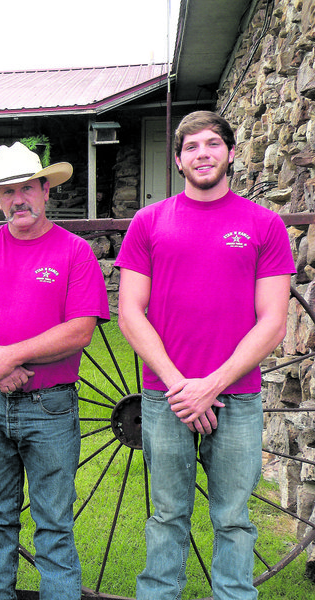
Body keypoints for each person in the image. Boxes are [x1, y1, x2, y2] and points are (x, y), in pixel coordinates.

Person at [116, 110, 295, 600]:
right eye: (191, 147)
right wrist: (181, 386)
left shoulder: (264, 224)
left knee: (234, 518)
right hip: (165, 398)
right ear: (177, 160)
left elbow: (273, 321)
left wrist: (210, 385)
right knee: (167, 514)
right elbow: (130, 312)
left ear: (230, 153)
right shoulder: (149, 221)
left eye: (212, 144)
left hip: (235, 398)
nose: (203, 154)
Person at [0, 141, 110, 600]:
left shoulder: (74, 252)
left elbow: (80, 331)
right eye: (8, 191)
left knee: (54, 523)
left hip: (50, 405)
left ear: (45, 191)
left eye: (27, 188)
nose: (19, 199)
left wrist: (9, 355)